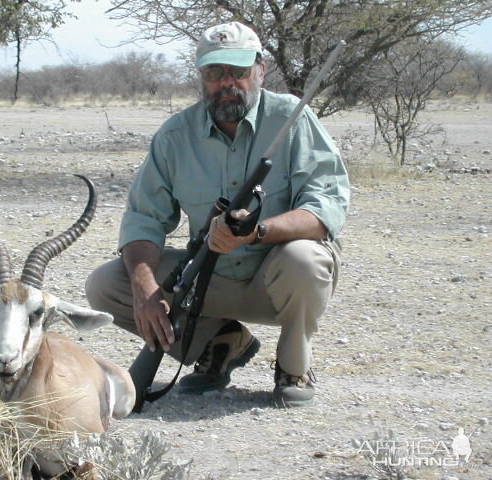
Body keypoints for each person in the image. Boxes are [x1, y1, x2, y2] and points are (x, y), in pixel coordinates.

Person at [85, 21, 350, 408]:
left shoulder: (293, 119)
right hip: (206, 283)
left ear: (260, 70)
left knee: (305, 258)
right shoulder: (175, 135)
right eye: (214, 72)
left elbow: (326, 209)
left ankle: (294, 365)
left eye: (239, 71)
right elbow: (144, 219)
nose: (228, 82)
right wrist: (144, 288)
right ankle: (220, 342)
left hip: (278, 281)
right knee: (105, 284)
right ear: (200, 77)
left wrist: (256, 233)